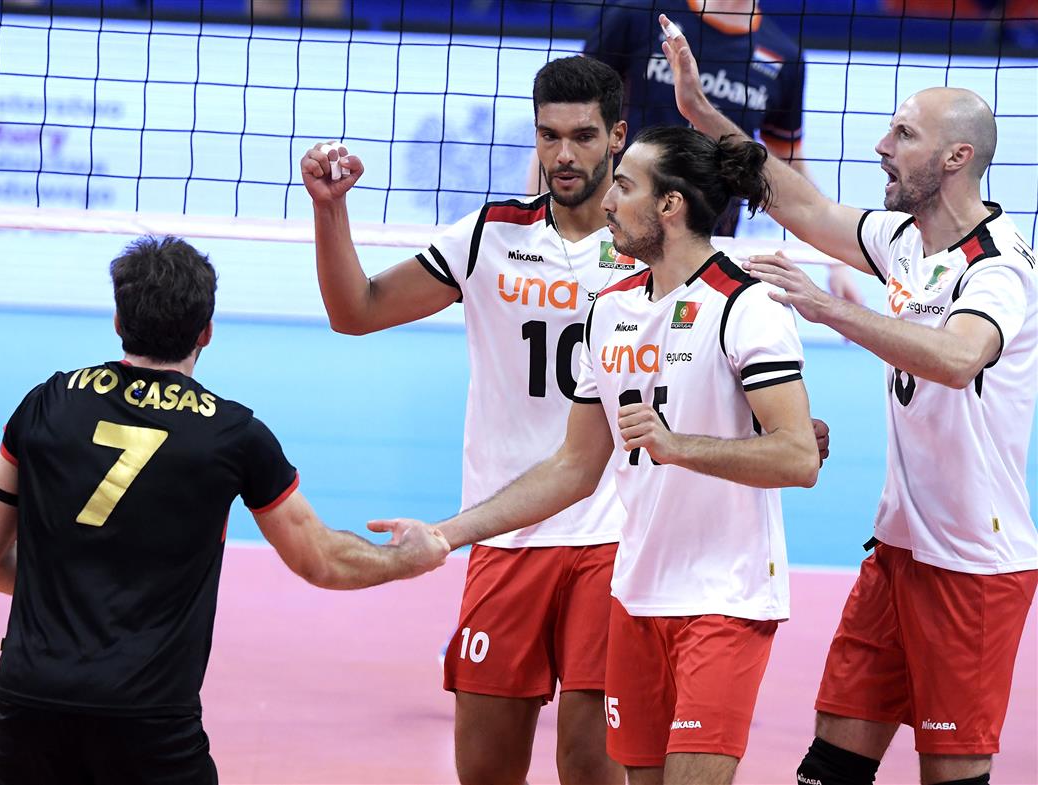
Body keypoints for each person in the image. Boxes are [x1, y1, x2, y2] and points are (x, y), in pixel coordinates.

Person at [659, 16, 1038, 785]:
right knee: (830, 761)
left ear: (956, 157)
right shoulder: (906, 239)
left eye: (903, 134)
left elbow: (959, 357)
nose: (880, 145)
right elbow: (800, 204)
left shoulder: (998, 266)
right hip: (898, 549)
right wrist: (701, 112)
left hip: (971, 563)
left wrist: (830, 308)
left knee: (951, 768)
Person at [382, 125, 820, 785]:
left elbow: (798, 456)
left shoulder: (745, 306)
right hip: (636, 596)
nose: (607, 201)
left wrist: (678, 446)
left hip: (725, 597)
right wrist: (447, 534)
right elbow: (573, 467)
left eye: (625, 187)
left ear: (669, 205)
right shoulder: (611, 310)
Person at [0, 235, 450, 785]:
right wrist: (407, 558)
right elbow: (320, 560)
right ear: (206, 332)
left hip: (29, 704)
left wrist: (65, 593)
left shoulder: (45, 402)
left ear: (119, 322)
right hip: (149, 718)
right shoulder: (233, 435)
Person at [304, 55, 636, 785]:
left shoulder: (650, 246)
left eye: (583, 136)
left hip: (616, 533)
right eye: (549, 136)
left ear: (617, 136)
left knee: (590, 763)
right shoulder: (490, 234)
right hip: (505, 529)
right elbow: (355, 311)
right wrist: (330, 211)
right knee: (484, 768)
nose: (563, 155)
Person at [551, 0, 865, 303]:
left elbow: (787, 163)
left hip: (706, 249)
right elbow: (565, 127)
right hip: (618, 235)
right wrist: (540, 223)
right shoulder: (638, 14)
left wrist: (835, 262)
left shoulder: (784, 57)